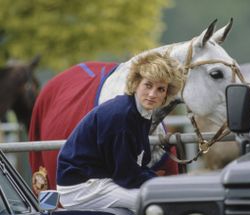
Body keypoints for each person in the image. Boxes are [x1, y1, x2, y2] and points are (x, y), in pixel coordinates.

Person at [56, 51, 185, 213]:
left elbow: (135, 164)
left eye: (161, 89)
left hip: (100, 178)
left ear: (167, 94)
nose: (153, 94)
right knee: (156, 206)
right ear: (136, 83)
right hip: (80, 187)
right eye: (148, 85)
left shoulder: (141, 111)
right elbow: (126, 176)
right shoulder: (123, 116)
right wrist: (160, 184)